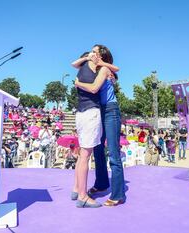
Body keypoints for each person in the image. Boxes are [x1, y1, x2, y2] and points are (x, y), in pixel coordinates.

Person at [73, 44, 125, 207]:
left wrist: (77, 83)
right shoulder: (93, 68)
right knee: (97, 148)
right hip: (98, 109)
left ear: (101, 55)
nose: (91, 53)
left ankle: (118, 194)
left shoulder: (105, 69)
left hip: (110, 110)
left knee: (113, 152)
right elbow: (76, 64)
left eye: (94, 52)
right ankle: (102, 183)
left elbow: (97, 86)